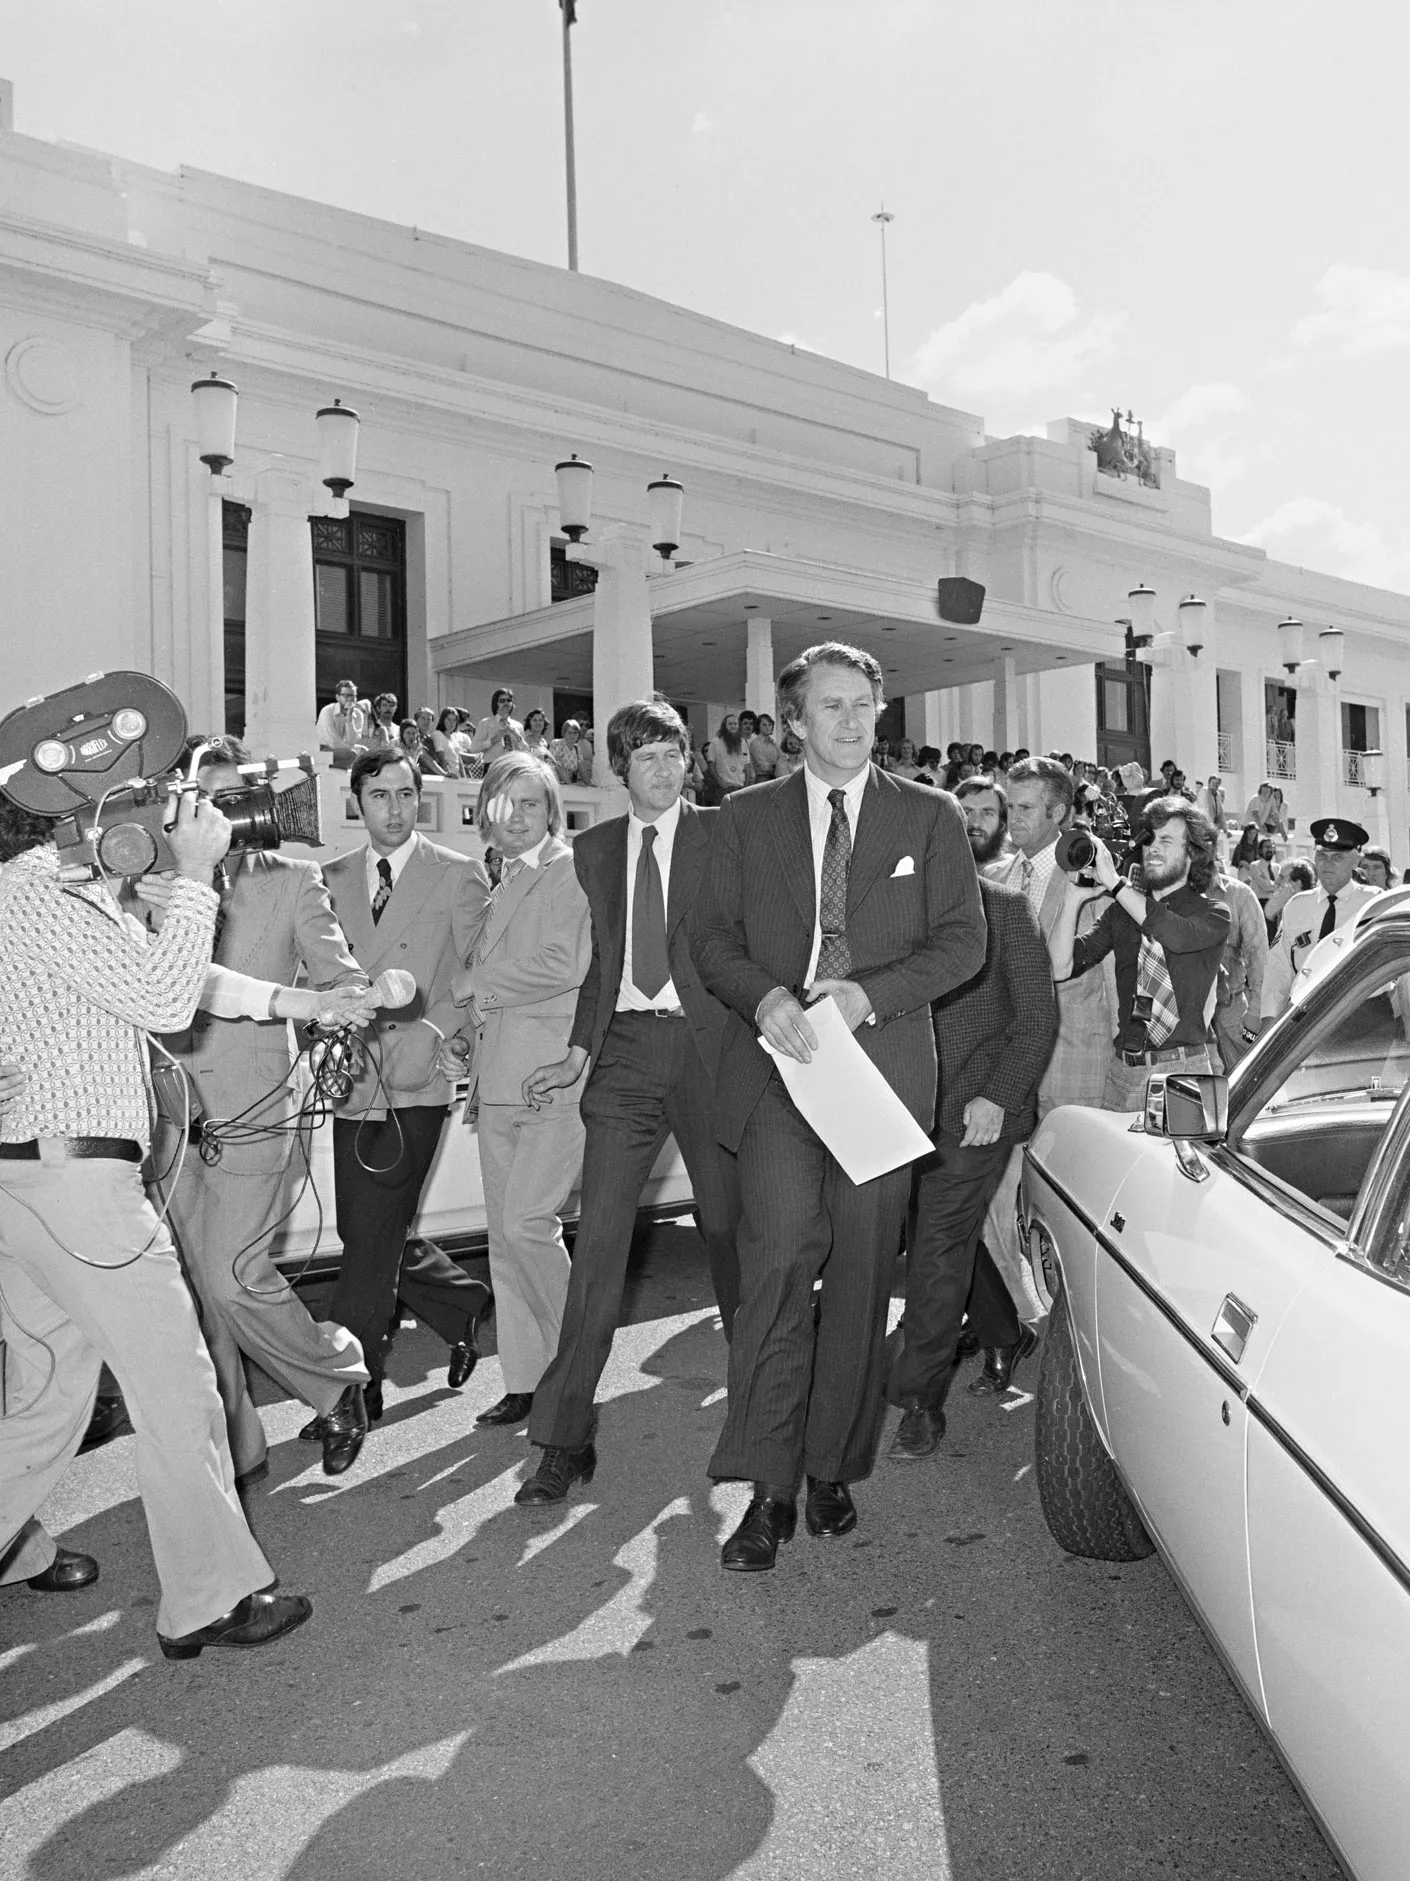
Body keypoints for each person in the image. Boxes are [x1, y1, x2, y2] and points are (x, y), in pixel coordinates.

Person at [694, 642, 986, 1570]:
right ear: (794, 722)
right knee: (778, 1258)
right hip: (784, 1071)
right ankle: (768, 1487)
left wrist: (871, 994)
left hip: (882, 1075)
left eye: (863, 703)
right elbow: (711, 938)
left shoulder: (929, 815)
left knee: (861, 1277)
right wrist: (765, 995)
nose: (852, 721)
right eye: (831, 706)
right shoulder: (745, 817)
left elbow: (963, 944)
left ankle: (831, 1466)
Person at [0, 790, 310, 1659]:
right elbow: (168, 998)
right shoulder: (41, 890)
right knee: (178, 1385)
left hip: (30, 1182)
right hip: (80, 1186)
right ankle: (211, 1597)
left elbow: (161, 976)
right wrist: (200, 872)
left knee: (48, 1390)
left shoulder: (45, 894)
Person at [515, 699, 742, 1504]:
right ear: (619, 767)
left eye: (673, 751)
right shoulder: (595, 847)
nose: (662, 765)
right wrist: (578, 1051)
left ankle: (757, 1418)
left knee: (729, 1235)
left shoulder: (727, 835)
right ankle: (562, 1437)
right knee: (599, 1248)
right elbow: (597, 962)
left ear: (690, 759)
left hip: (713, 1054)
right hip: (626, 1056)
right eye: (644, 754)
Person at [151, 738, 376, 1483]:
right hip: (169, 1118)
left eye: (229, 797)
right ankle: (236, 1445)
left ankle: (336, 1379)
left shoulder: (292, 881)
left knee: (232, 1275)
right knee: (194, 1293)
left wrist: (336, 1011)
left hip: (257, 1113)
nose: (216, 813)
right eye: (199, 798)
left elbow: (337, 975)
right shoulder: (152, 883)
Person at [319, 749, 493, 1422]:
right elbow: (316, 973)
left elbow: (480, 967)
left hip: (418, 1079)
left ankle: (350, 1386)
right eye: (379, 794)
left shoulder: (457, 874)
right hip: (352, 1075)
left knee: (369, 1237)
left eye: (404, 793)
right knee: (365, 1226)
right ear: (357, 803)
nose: (393, 807)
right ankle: (460, 1301)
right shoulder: (329, 878)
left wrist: (444, 1035)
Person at [439, 754, 591, 1429]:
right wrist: (467, 1037)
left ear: (551, 810)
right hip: (498, 1080)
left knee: (530, 1224)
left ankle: (576, 1362)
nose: (519, 816)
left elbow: (566, 962)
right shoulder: (504, 881)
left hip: (550, 1077)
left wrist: (481, 984)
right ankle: (527, 1378)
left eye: (532, 803)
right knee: (504, 1236)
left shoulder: (568, 870)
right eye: (506, 804)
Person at [888, 870, 1057, 1456]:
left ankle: (918, 1400)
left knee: (935, 1248)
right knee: (941, 1238)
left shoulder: (1007, 909)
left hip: (975, 1113)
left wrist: (1000, 1095)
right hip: (895, 1111)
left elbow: (1037, 1016)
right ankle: (1004, 1331)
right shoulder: (889, 902)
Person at [1052, 797, 1231, 1112]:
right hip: (1124, 1070)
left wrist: (1115, 883)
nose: (1154, 848)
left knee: (1177, 1163)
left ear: (1193, 852)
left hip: (1182, 1070)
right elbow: (1059, 966)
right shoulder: (1122, 912)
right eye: (1149, 839)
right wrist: (1072, 897)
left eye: (1166, 839)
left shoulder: (1213, 912)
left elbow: (1173, 935)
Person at [1261, 818, 1379, 1023]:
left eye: (1337, 857)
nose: (1328, 863)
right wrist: (1269, 1019)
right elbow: (1278, 969)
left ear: (1355, 861)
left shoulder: (1373, 902)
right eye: (1322, 855)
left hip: (1363, 1017)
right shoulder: (1297, 906)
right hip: (1306, 1020)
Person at [1211, 862, 1268, 1071]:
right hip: (1186, 1016)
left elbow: (1258, 957)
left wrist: (1255, 1011)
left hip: (1233, 1011)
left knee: (1253, 1074)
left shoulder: (1239, 894)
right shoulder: (1169, 890)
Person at [315, 679, 370, 757]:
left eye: (353, 695)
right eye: (346, 695)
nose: (350, 698)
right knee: (352, 754)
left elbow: (353, 741)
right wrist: (350, 750)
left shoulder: (358, 714)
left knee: (364, 751)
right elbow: (333, 742)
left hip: (343, 749)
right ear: (338, 697)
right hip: (323, 748)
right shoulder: (327, 711)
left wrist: (349, 718)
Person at [470, 689, 525, 763]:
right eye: (502, 701)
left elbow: (525, 751)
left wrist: (518, 737)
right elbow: (474, 748)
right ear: (496, 703)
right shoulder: (485, 723)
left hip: (512, 766)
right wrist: (493, 740)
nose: (506, 703)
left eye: (509, 700)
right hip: (493, 766)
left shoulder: (518, 726)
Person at [706, 713, 748, 801]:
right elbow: (711, 766)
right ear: (724, 726)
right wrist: (719, 781)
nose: (733, 726)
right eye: (730, 724)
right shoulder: (715, 742)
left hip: (740, 788)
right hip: (723, 789)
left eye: (735, 724)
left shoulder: (743, 742)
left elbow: (747, 766)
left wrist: (746, 786)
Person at [549, 718, 593, 787]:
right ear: (564, 733)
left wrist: (589, 785)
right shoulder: (557, 744)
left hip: (569, 786)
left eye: (575, 733)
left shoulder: (577, 748)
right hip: (555, 786)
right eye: (569, 732)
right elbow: (560, 767)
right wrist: (572, 785)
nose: (572, 736)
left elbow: (582, 770)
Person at [747, 712, 781, 782]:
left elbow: (783, 759)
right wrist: (778, 766)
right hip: (763, 778)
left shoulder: (773, 743)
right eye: (764, 725)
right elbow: (764, 767)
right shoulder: (755, 743)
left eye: (769, 725)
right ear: (758, 726)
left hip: (777, 777)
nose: (767, 727)